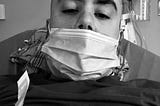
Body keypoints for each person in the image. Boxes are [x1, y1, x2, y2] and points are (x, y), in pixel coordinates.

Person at [1, 0, 160, 105]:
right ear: (49, 27)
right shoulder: (9, 89)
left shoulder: (149, 91)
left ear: (119, 33)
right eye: (70, 9)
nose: (86, 21)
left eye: (102, 14)